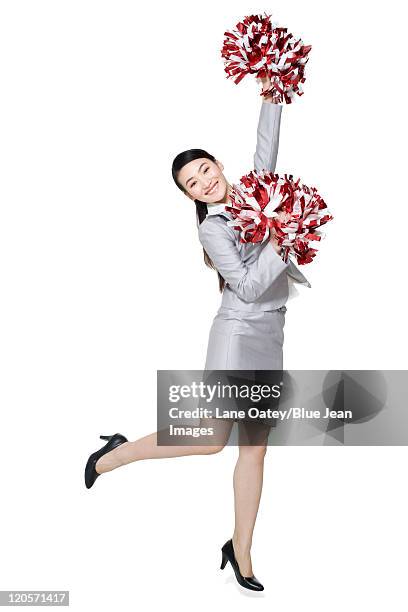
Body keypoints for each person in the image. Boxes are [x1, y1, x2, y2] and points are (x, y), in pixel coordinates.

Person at [84, 77, 310, 592]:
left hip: (270, 335)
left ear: (219, 165)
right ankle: (113, 455)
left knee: (254, 450)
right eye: (192, 183)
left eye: (205, 170)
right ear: (189, 195)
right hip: (236, 336)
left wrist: (273, 85)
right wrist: (287, 238)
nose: (204, 183)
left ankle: (242, 549)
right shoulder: (212, 228)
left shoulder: (257, 192)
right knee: (211, 442)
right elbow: (250, 288)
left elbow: (267, 142)